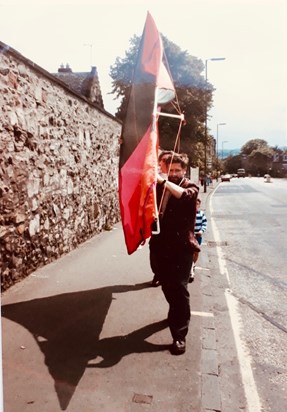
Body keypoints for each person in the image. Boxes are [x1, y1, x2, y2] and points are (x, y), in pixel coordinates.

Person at [149, 153, 199, 355]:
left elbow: (182, 195)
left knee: (179, 289)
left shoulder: (191, 188)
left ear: (184, 171)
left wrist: (163, 180)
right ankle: (176, 311)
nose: (174, 174)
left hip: (182, 247)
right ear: (164, 169)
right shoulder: (159, 186)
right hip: (160, 245)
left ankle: (179, 335)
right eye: (170, 170)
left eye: (178, 170)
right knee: (166, 283)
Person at [151, 150, 174, 287]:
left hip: (172, 220)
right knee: (154, 248)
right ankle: (158, 273)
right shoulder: (155, 176)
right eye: (163, 160)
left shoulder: (176, 177)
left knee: (171, 249)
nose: (165, 163)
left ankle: (169, 273)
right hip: (157, 218)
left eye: (168, 160)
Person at [189, 198, 207, 282]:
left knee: (196, 252)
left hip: (198, 236)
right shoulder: (190, 214)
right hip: (191, 236)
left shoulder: (201, 214)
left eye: (197, 204)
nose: (196, 205)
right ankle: (191, 268)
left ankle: (193, 264)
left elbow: (204, 224)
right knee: (191, 252)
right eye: (194, 204)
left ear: (199, 205)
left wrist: (201, 231)